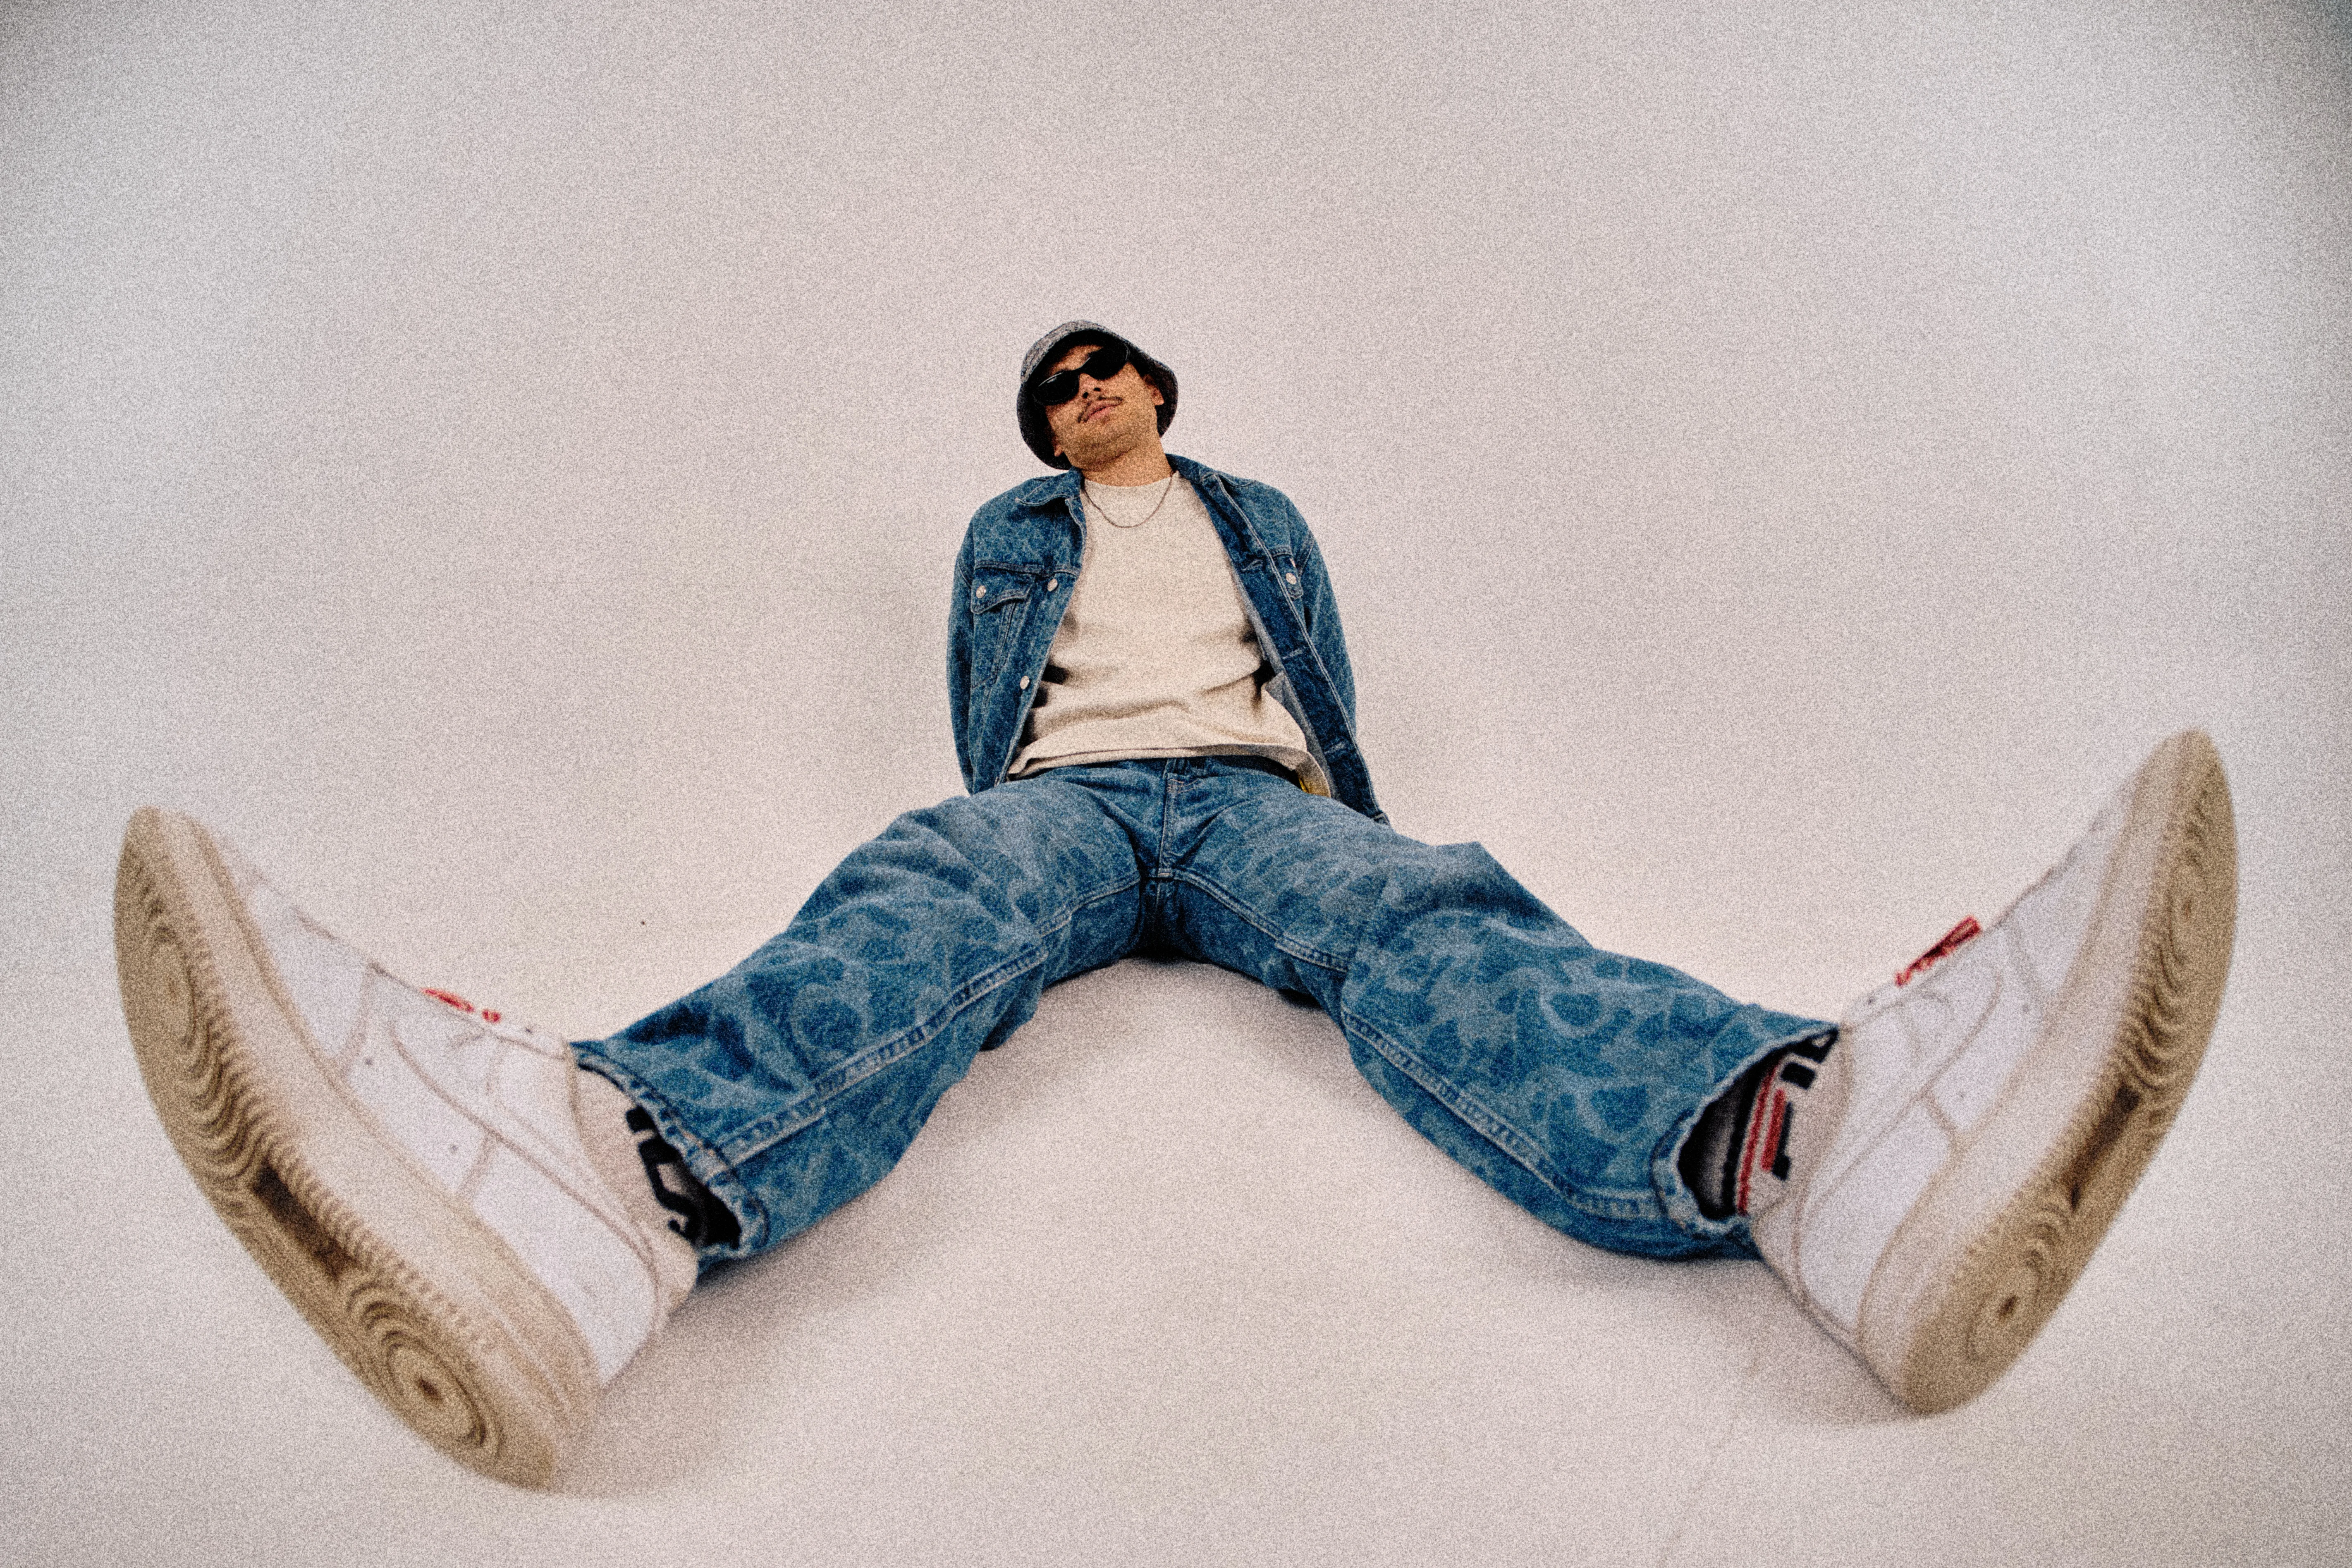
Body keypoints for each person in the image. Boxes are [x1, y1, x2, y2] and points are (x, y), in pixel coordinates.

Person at [112, 321, 2239, 1488]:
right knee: (927, 882)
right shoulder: (1005, 534)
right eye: (1054, 396)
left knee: (1425, 912)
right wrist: (1032, 825)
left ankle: (1805, 1142)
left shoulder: (1256, 516)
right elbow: (983, 716)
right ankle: (615, 1185)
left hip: (1249, 799)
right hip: (1066, 806)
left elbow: (1324, 689)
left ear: (1159, 392)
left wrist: (1331, 804)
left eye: (1105, 377)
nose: (1082, 405)